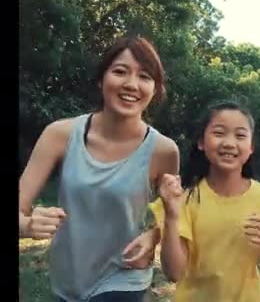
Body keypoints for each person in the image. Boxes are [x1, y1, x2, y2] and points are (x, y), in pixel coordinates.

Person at [18, 36, 180, 302]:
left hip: (124, 278)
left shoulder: (164, 151)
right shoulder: (59, 134)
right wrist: (27, 225)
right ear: (101, 79)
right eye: (120, 71)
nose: (131, 84)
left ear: (155, 89)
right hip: (68, 279)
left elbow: (174, 215)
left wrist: (154, 236)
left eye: (145, 76)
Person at [150, 100, 260, 302]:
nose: (229, 143)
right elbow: (174, 273)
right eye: (219, 133)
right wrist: (172, 215)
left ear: (251, 147)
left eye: (240, 135)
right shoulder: (185, 198)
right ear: (201, 142)